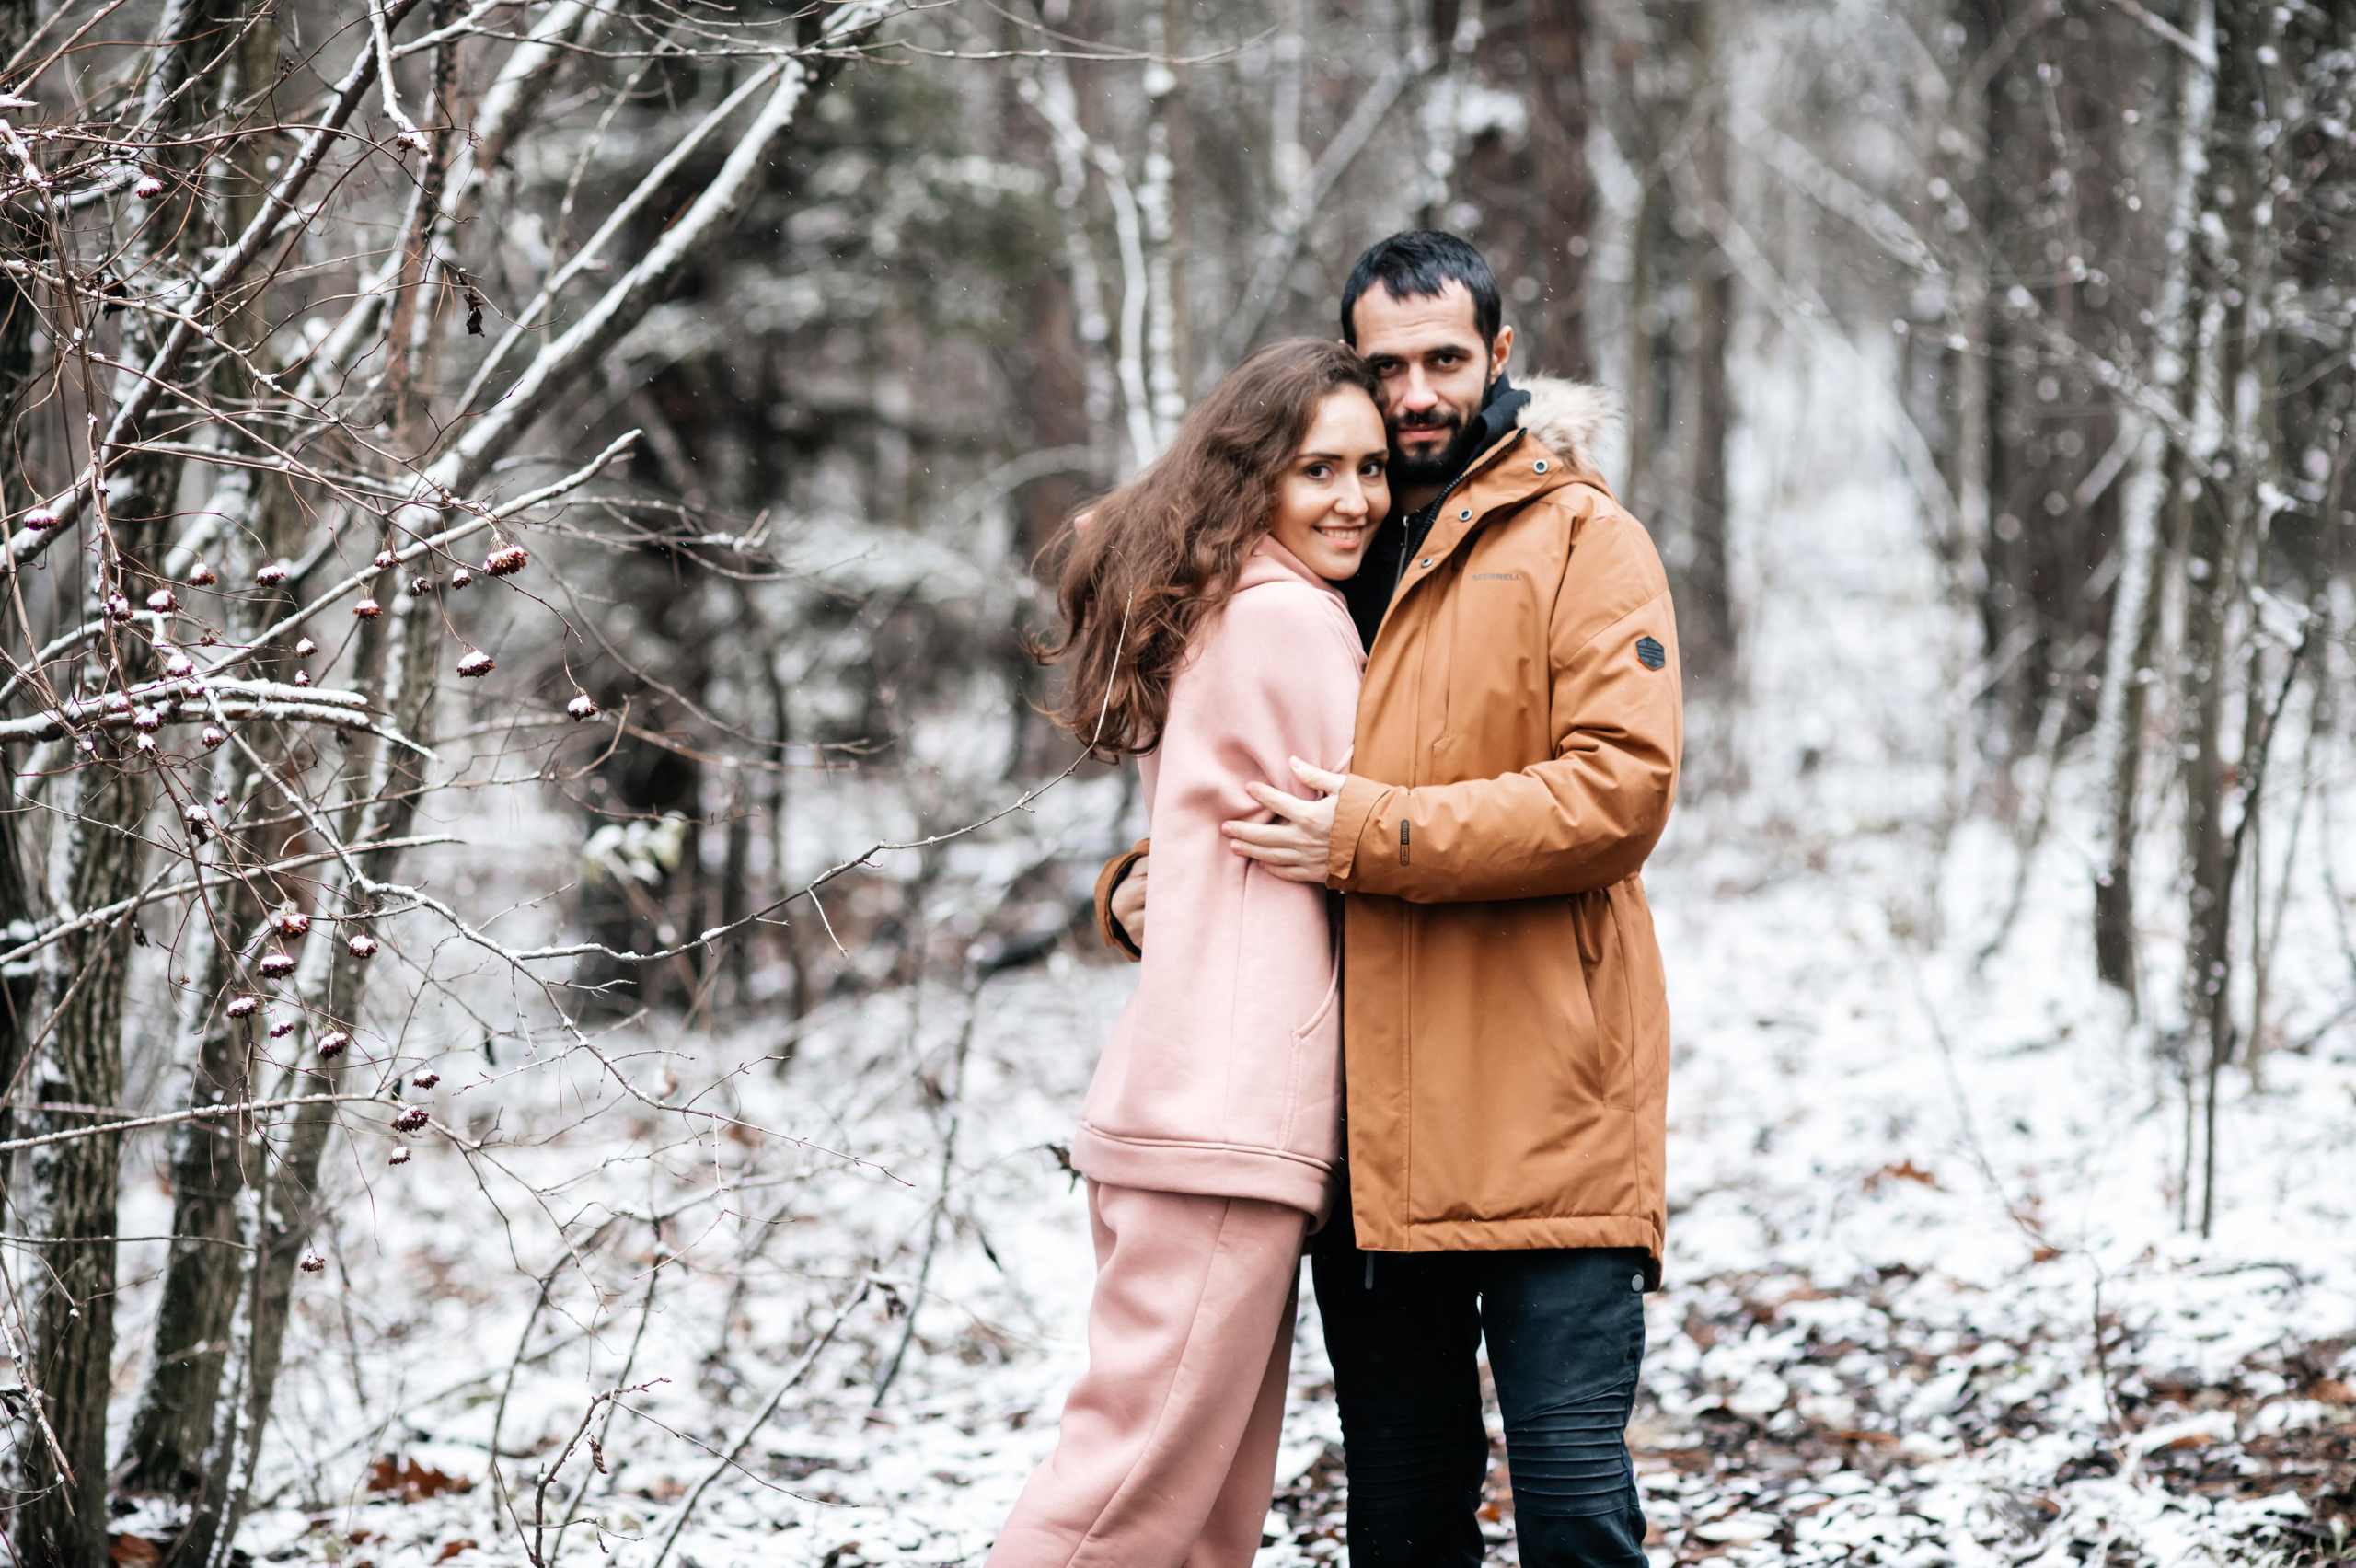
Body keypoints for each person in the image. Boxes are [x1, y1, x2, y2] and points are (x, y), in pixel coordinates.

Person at [1097, 232, 1681, 1566]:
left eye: (1445, 361)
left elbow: (1618, 793)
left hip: (1552, 1122)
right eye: (1387, 366)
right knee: (1406, 1528)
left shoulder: (1586, 540)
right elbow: (1230, 777)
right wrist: (1146, 890)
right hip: (1376, 1143)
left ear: (1501, 359)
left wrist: (1373, 835)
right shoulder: (1325, 544)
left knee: (1577, 1516)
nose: (1414, 395)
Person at [988, 338, 1392, 1566]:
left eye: (1372, 470)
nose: (1355, 500)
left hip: (1205, 1111)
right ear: (1255, 474)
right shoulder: (1290, 622)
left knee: (1207, 1519)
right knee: (1124, 1505)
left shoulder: (1226, 605)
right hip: (1225, 1120)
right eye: (1317, 468)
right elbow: (1397, 821)